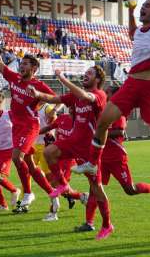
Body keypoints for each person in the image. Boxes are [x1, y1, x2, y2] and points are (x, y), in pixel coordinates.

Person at [75, 0, 150, 208]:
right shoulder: (139, 32)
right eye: (142, 6)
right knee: (102, 122)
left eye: (149, 6)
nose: (144, 8)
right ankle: (92, 163)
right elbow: (132, 32)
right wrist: (130, 12)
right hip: (132, 84)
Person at [37, 67, 113, 240]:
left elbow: (86, 96)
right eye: (85, 72)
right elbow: (53, 98)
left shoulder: (99, 95)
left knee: (96, 188)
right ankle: (63, 185)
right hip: (73, 143)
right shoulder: (75, 97)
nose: (85, 75)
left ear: (98, 80)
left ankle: (107, 224)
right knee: (49, 152)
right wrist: (37, 93)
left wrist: (62, 78)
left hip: (89, 150)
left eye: (90, 73)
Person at [0, 32, 56, 210]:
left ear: (33, 69)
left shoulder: (38, 85)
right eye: (21, 63)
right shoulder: (14, 78)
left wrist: (46, 103)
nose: (21, 66)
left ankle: (27, 192)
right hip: (17, 127)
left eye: (25, 64)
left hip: (30, 126)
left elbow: (55, 98)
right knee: (31, 166)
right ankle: (56, 193)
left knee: (17, 157)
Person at [75, 85, 150, 233]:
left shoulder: (118, 112)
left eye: (107, 93)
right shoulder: (101, 111)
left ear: (115, 96)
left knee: (130, 189)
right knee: (94, 189)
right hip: (100, 157)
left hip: (116, 158)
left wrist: (99, 131)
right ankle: (89, 223)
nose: (104, 95)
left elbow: (120, 131)